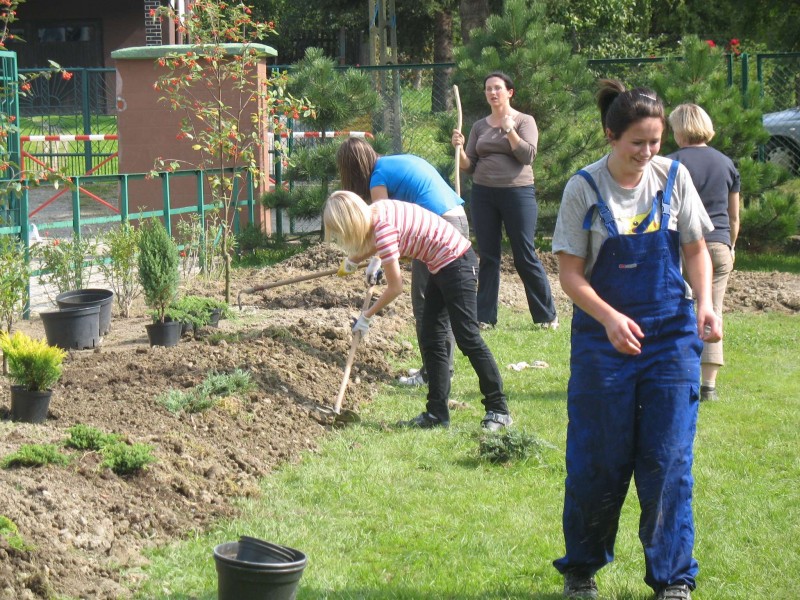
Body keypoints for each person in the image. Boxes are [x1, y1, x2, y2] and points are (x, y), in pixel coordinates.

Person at [550, 80, 721, 600]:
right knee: (596, 461)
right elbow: (570, 274)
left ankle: (673, 579)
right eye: (637, 143)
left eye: (655, 141)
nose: (648, 153)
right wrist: (609, 318)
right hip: (603, 343)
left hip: (670, 339)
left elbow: (696, 250)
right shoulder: (584, 188)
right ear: (611, 135)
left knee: (668, 462)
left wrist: (706, 303)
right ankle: (581, 570)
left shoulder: (675, 177)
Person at [325, 190, 512, 431]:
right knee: (432, 339)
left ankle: (498, 410)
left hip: (457, 264)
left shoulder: (383, 229)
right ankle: (436, 414)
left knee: (468, 338)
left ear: (349, 223)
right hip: (440, 266)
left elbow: (395, 288)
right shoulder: (378, 210)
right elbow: (382, 241)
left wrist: (366, 316)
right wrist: (355, 260)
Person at [336, 137, 469, 387]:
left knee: (426, 304)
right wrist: (356, 261)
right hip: (455, 219)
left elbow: (381, 223)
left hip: (438, 229)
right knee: (437, 303)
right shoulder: (391, 164)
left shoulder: (377, 179)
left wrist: (376, 262)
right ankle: (437, 369)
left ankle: (434, 373)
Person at [451, 71, 558, 329]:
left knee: (524, 254)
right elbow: (469, 165)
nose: (492, 92)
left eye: (497, 88)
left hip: (517, 192)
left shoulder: (524, 121)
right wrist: (460, 149)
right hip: (483, 194)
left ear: (509, 92)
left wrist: (509, 130)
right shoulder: (479, 126)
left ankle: (546, 315)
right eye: (488, 88)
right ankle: (484, 317)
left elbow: (527, 156)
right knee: (489, 256)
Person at [668, 103, 740, 402]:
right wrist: (730, 246)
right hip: (719, 245)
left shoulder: (670, 163)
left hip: (683, 246)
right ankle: (709, 385)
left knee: (675, 310)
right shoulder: (726, 163)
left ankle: (676, 375)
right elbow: (734, 216)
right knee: (713, 311)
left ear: (679, 130)